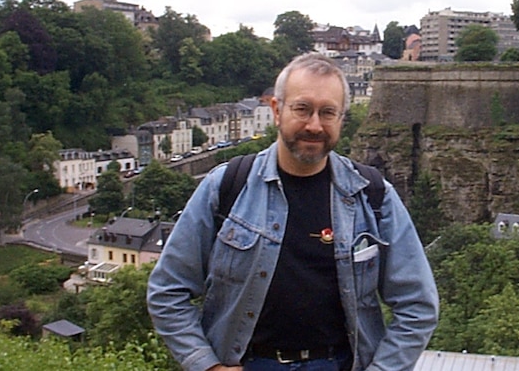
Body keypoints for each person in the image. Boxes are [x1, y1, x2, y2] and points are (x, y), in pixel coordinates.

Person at [147, 53, 439, 371]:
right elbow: (167, 291)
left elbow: (418, 306)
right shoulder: (227, 186)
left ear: (342, 119)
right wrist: (206, 365)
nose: (314, 125)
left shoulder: (372, 195)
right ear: (276, 110)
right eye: (302, 109)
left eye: (328, 112)